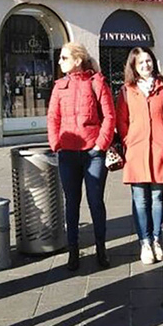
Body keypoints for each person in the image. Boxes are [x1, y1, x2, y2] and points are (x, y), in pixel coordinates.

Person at [47, 42, 115, 271]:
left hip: (92, 152)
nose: (59, 62)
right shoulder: (59, 86)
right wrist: (56, 144)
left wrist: (100, 144)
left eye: (64, 58)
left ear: (77, 60)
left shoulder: (97, 83)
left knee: (96, 202)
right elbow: (52, 118)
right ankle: (73, 250)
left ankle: (101, 248)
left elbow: (109, 116)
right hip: (67, 152)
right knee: (71, 203)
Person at [115, 47, 163, 265]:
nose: (146, 65)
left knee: (157, 198)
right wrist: (128, 140)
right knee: (139, 200)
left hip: (160, 149)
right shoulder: (126, 90)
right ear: (133, 66)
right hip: (136, 150)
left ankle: (156, 239)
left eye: (149, 61)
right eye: (141, 62)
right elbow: (121, 120)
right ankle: (144, 242)